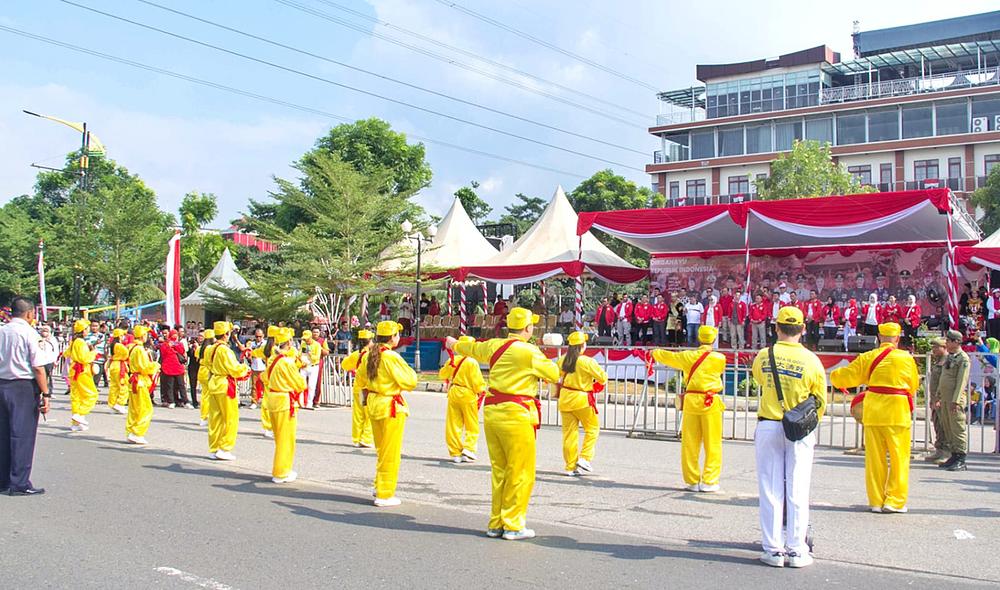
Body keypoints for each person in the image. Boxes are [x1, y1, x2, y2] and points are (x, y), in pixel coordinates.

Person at [447, 307, 560, 540]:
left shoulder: (494, 345)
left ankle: (496, 523)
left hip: (492, 412)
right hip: (517, 414)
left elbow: (472, 348)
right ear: (528, 328)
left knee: (499, 470)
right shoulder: (529, 351)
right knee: (520, 471)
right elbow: (554, 373)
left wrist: (454, 344)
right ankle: (513, 524)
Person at [751, 306, 827, 568]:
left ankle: (773, 549)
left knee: (770, 489)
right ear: (803, 329)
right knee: (798, 488)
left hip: (769, 424)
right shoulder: (812, 360)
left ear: (776, 328)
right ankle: (796, 550)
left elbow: (760, 380)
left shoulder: (765, 355)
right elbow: (820, 399)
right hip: (799, 429)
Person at [831, 322, 918, 514]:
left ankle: (876, 501)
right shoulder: (906, 358)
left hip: (874, 411)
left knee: (874, 460)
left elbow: (847, 376)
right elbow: (913, 385)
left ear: (879, 337)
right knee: (899, 458)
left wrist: (834, 377)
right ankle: (894, 501)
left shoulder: (868, 356)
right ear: (897, 338)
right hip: (897, 412)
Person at [653, 325, 726, 492]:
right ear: (714, 340)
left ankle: (692, 480)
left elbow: (670, 357)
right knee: (713, 443)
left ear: (699, 338)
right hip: (710, 401)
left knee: (690, 443)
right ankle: (709, 481)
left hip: (692, 401)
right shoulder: (719, 358)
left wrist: (654, 352)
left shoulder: (688, 356)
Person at [357, 321, 417, 507]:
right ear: (392, 337)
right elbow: (410, 381)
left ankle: (379, 486)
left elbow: (360, 379)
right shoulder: (391, 356)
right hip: (390, 406)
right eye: (397, 334)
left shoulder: (369, 355)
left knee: (381, 450)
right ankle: (384, 494)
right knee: (390, 453)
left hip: (374, 403)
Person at [0, 297, 51, 496]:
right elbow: (38, 367)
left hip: (2, 383)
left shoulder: (2, 331)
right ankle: (19, 482)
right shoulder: (30, 333)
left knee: (3, 434)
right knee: (22, 435)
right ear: (30, 313)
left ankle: (3, 479)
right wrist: (46, 393)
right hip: (22, 386)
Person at [555, 331, 607, 476]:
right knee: (592, 429)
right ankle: (585, 457)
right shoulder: (587, 362)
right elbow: (603, 377)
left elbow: (554, 375)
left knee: (569, 434)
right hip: (582, 400)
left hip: (565, 398)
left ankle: (570, 467)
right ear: (583, 345)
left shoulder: (563, 360)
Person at [261, 328, 307, 484]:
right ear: (289, 342)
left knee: (279, 437)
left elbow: (264, 377)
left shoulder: (274, 359)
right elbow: (300, 384)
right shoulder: (286, 362)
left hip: (273, 399)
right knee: (286, 439)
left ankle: (282, 468)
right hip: (285, 401)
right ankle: (281, 472)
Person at [204, 321, 250, 461]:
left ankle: (214, 447)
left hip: (214, 382)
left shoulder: (210, 349)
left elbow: (207, 364)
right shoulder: (225, 350)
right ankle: (224, 448)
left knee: (215, 418)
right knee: (230, 418)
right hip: (225, 384)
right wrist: (245, 368)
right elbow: (234, 369)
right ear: (226, 334)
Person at [439, 335, 486, 464]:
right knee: (471, 424)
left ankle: (455, 452)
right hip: (468, 393)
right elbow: (477, 383)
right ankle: (468, 449)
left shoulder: (453, 360)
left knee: (453, 424)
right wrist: (482, 390)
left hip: (454, 391)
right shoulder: (472, 362)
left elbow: (442, 374)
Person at [936, 330, 970, 472]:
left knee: (957, 428)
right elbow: (944, 377)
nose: (946, 343)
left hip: (954, 400)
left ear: (956, 342)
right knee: (948, 427)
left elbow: (962, 381)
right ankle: (954, 455)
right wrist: (938, 395)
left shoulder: (963, 358)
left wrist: (955, 400)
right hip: (945, 398)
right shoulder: (950, 357)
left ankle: (961, 458)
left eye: (949, 341)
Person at [340, 329, 375, 448]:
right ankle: (366, 438)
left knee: (358, 414)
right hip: (367, 388)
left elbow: (344, 365)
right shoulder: (371, 355)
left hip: (358, 387)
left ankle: (357, 438)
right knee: (369, 414)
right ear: (370, 341)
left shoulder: (356, 354)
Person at [126, 325, 159, 445]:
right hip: (140, 381)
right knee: (145, 408)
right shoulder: (139, 349)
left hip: (135, 380)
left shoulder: (132, 347)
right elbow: (144, 367)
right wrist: (155, 366)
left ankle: (132, 431)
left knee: (134, 409)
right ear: (143, 335)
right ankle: (137, 433)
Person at [67, 319, 98, 432]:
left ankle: (76, 423)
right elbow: (84, 358)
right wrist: (93, 352)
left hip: (75, 369)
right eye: (87, 329)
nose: (88, 330)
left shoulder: (75, 341)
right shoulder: (80, 342)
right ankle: (79, 414)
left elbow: (67, 353)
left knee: (77, 396)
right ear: (83, 330)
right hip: (82, 370)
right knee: (91, 395)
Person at [922, 338, 949, 464]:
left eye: (936, 347)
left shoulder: (947, 361)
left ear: (944, 347)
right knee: (937, 424)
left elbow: (946, 383)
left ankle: (947, 452)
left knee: (945, 426)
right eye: (933, 347)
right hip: (935, 399)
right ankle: (939, 449)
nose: (933, 350)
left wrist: (939, 398)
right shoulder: (938, 361)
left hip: (942, 399)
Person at [158, 329, 190, 409]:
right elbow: (163, 353)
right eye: (173, 334)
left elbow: (182, 351)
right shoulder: (165, 344)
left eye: (176, 334)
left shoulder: (179, 343)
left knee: (181, 385)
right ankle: (171, 401)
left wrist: (175, 345)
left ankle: (185, 401)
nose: (174, 336)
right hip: (169, 367)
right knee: (170, 385)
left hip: (178, 367)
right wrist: (169, 345)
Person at [106, 328, 129, 415]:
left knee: (114, 386)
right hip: (119, 365)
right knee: (123, 385)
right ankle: (120, 403)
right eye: (122, 335)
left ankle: (113, 403)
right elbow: (126, 353)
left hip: (114, 365)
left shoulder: (113, 344)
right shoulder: (119, 345)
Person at [196, 329, 216, 427]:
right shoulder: (211, 348)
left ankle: (204, 416)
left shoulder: (200, 348)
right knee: (208, 396)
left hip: (201, 370)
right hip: (208, 371)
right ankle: (206, 416)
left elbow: (197, 358)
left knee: (204, 395)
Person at [298, 330, 322, 410]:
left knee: (311, 385)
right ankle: (301, 402)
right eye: (304, 339)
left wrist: (310, 353)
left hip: (313, 366)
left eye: (307, 339)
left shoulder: (317, 345)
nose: (306, 340)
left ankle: (309, 403)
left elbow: (317, 358)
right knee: (301, 385)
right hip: (304, 366)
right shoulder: (303, 344)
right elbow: (300, 353)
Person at [247, 329, 267, 410]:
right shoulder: (252, 344)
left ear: (263, 336)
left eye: (260, 336)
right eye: (257, 336)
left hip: (264, 367)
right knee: (254, 386)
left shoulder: (265, 343)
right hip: (254, 367)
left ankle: (266, 402)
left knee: (265, 386)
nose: (258, 338)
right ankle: (254, 402)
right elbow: (248, 353)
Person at [187, 331, 203, 410]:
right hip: (193, 367)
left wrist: (198, 348)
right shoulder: (193, 345)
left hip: (202, 367)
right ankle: (194, 401)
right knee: (193, 385)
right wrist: (190, 347)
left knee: (204, 386)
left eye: (202, 336)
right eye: (199, 336)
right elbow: (189, 354)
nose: (200, 337)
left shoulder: (206, 346)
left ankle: (203, 401)